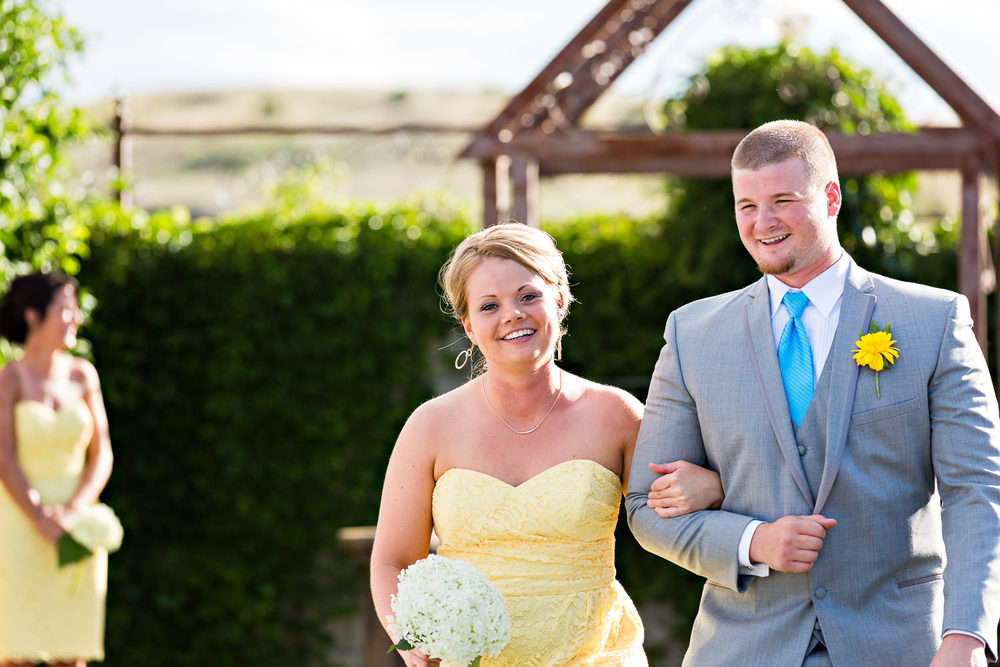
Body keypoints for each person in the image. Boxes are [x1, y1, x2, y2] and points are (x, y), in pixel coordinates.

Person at [626, 119, 1000, 667]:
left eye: (783, 200)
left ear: (831, 197)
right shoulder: (693, 334)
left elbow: (977, 489)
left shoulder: (933, 321)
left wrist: (966, 636)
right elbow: (645, 506)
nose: (763, 222)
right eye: (746, 206)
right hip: (742, 650)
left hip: (899, 648)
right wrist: (752, 540)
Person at [370, 222, 724, 666]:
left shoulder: (617, 415)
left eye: (527, 296)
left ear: (559, 300)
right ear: (469, 326)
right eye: (489, 305)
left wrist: (716, 487)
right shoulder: (429, 425)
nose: (512, 314)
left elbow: (675, 514)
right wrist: (411, 639)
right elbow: (393, 562)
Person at [0, 272, 114, 667]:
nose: (76, 318)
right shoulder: (9, 379)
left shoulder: (85, 375)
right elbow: (4, 457)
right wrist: (38, 516)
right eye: (66, 309)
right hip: (18, 524)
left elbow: (102, 455)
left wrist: (71, 513)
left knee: (73, 651)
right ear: (33, 316)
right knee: (18, 651)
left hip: (76, 523)